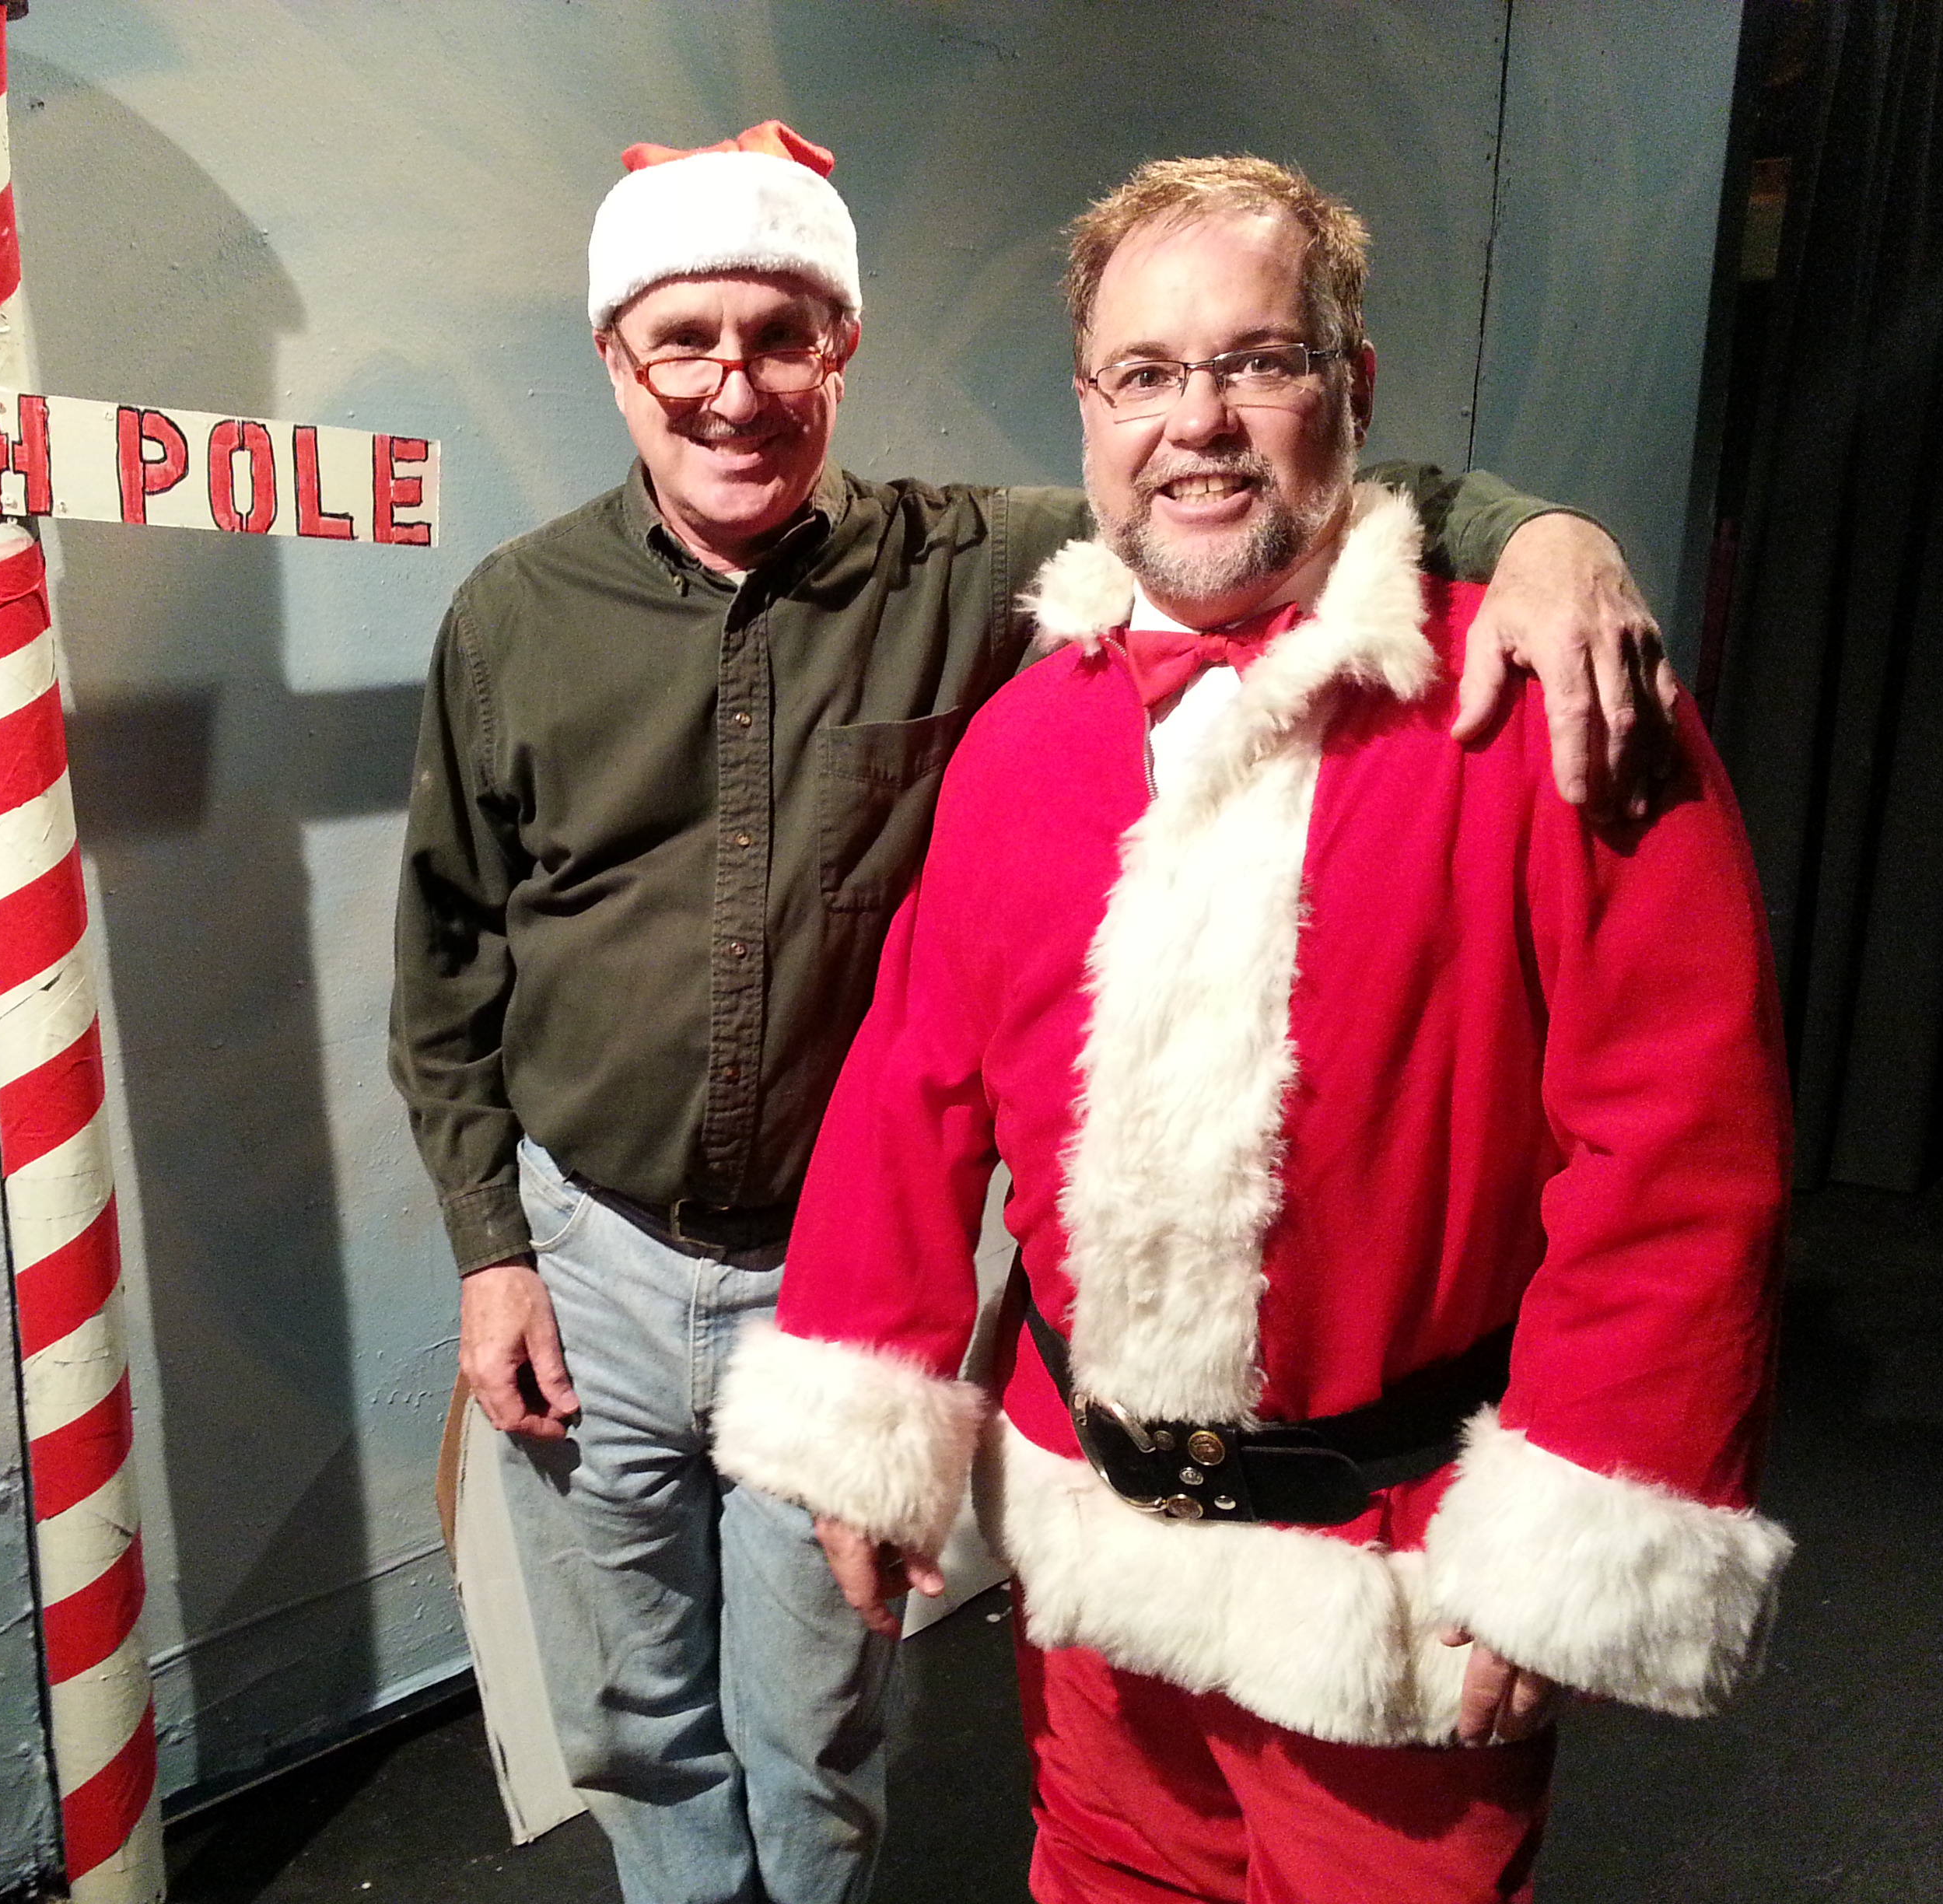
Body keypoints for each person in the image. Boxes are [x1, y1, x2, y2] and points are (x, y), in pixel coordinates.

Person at [393, 125, 1678, 1904]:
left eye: (779, 336)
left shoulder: (976, 564)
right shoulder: (517, 617)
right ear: (616, 358)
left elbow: (1249, 483)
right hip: (590, 1257)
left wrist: (1539, 532)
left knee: (812, 1722)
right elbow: (456, 954)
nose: (731, 389)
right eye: (682, 341)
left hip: (841, 1286)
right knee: (633, 1718)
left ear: (841, 349)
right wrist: (492, 1248)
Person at [712, 155, 1793, 1903]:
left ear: (1351, 387)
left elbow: (1679, 1151)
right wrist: (868, 1431)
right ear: (1089, 412)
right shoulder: (1023, 738)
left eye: (1257, 361)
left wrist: (1562, 1547)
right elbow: (912, 1088)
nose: (1196, 422)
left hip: (1393, 1591)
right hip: (1092, 1570)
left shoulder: (1541, 700)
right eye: (1144, 373)